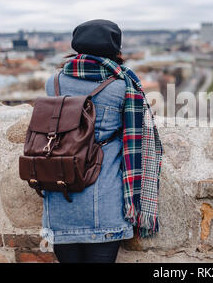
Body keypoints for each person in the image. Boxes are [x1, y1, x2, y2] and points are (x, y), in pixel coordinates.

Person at [42, 19, 161, 263]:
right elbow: (138, 141)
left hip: (59, 201)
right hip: (103, 201)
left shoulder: (53, 83)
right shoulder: (123, 87)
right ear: (115, 49)